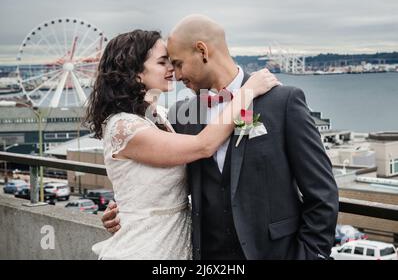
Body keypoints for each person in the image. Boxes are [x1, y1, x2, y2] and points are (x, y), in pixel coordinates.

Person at [103, 15, 339, 260]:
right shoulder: (180, 117)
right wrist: (125, 211)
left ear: (202, 51)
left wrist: (311, 254)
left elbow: (321, 191)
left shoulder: (282, 102)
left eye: (178, 63)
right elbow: (154, 174)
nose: (176, 74)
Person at [85, 29, 279, 260]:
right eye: (162, 62)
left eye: (172, 62)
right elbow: (203, 146)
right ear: (135, 73)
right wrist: (247, 92)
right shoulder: (123, 127)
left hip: (177, 245)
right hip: (144, 249)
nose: (173, 70)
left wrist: (126, 207)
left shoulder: (160, 118)